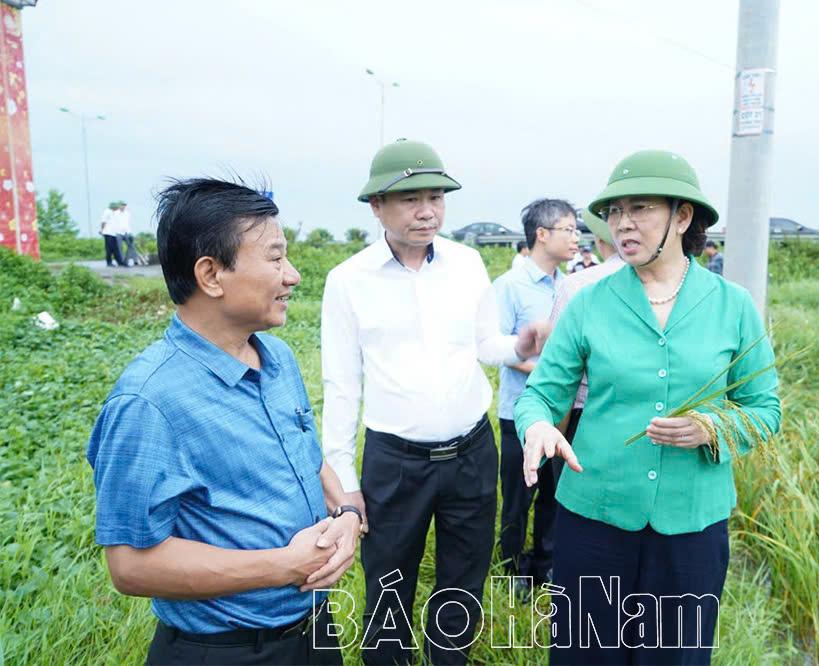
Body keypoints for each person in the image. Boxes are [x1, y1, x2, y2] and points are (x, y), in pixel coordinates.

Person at [515, 150, 781, 665]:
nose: (623, 224)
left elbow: (764, 408)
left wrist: (712, 427)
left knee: (674, 657)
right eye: (615, 212)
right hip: (594, 517)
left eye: (640, 209)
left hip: (691, 527)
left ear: (683, 217)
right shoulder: (589, 302)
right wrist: (538, 425)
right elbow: (543, 393)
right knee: (583, 654)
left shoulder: (733, 306)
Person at [87, 178, 360, 665]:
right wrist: (283, 566)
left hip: (315, 631)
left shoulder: (277, 358)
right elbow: (129, 566)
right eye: (275, 259)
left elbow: (307, 460)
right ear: (211, 275)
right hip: (225, 651)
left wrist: (347, 516)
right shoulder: (148, 401)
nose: (293, 275)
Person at [321, 139, 550, 665]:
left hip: (471, 452)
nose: (427, 211)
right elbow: (341, 387)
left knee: (463, 583)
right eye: (410, 199)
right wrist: (346, 484)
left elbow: (483, 343)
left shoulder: (467, 263)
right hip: (394, 463)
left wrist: (519, 345)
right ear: (376, 206)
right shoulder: (347, 281)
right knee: (388, 585)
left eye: (436, 197)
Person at [493, 198, 579, 592]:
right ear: (542, 235)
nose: (576, 238)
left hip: (560, 416)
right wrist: (552, 373)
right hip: (519, 413)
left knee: (553, 496)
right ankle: (509, 571)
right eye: (568, 229)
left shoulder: (570, 285)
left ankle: (543, 567)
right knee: (517, 499)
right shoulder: (510, 286)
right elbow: (502, 350)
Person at [548, 210, 626, 481]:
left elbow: (559, 380)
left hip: (586, 420)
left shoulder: (578, 285)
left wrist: (557, 440)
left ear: (601, 242)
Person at [99, 200, 125, 267]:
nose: (117, 208)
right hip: (108, 233)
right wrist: (101, 230)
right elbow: (103, 222)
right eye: (116, 207)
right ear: (113, 207)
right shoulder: (106, 211)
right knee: (109, 249)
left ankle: (120, 262)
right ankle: (109, 262)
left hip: (113, 233)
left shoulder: (113, 212)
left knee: (115, 249)